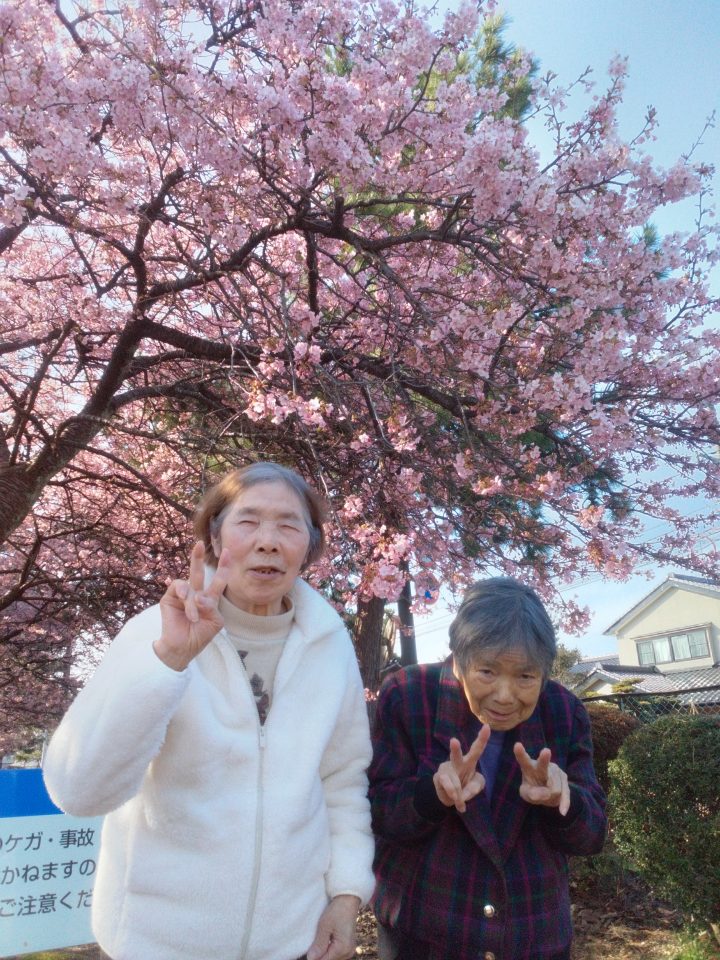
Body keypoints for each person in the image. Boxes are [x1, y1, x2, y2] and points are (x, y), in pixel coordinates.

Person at [43, 462, 374, 960]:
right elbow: (79, 792)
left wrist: (346, 894)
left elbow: (342, 780)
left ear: (310, 546)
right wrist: (168, 663)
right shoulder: (155, 633)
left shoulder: (328, 645)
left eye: (289, 526)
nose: (268, 542)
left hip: (289, 941)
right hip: (157, 944)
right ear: (215, 538)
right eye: (248, 522)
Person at [369, 577, 607, 960]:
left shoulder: (563, 712)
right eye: (487, 672)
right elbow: (379, 813)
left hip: (532, 937)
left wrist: (563, 802)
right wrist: (432, 795)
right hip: (425, 933)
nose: (504, 696)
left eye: (525, 676)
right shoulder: (409, 696)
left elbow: (592, 836)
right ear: (458, 659)